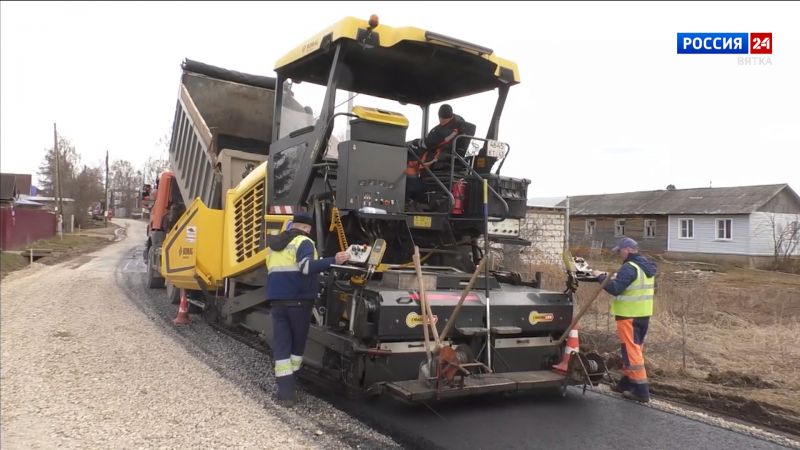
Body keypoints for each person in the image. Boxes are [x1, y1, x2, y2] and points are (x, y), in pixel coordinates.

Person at [265, 211, 349, 406]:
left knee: (282, 346)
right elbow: (305, 267)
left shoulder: (275, 245)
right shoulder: (303, 242)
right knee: (296, 348)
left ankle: (285, 393)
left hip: (277, 302)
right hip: (299, 303)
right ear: (307, 228)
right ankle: (291, 383)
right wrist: (333, 260)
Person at [592, 237, 656, 403]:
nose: (619, 254)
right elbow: (630, 285)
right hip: (643, 315)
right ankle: (625, 384)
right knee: (634, 350)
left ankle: (642, 392)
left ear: (628, 249)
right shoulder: (646, 266)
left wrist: (600, 277)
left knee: (631, 352)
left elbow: (615, 288)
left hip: (629, 316)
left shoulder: (629, 267)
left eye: (619, 251)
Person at [405, 104, 467, 209]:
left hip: (436, 160)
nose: (441, 121)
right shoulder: (460, 126)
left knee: (408, 160)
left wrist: (414, 142)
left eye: (442, 119)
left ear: (441, 117)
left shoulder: (440, 131)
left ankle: (407, 196)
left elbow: (427, 144)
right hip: (449, 160)